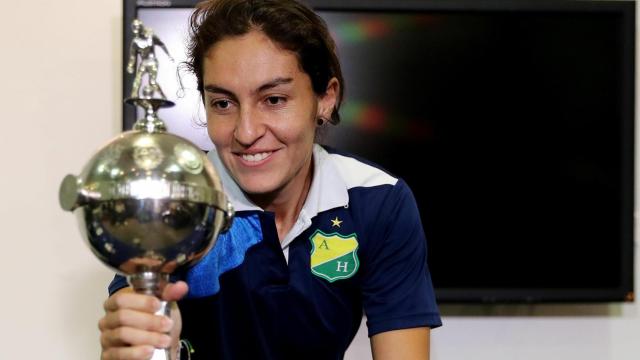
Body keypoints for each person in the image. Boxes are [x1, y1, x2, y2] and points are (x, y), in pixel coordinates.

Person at [99, 0, 441, 359]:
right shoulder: (172, 199)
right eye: (223, 104)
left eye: (274, 99)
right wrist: (135, 338)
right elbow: (132, 319)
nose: (246, 132)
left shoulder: (378, 199)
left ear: (326, 98)